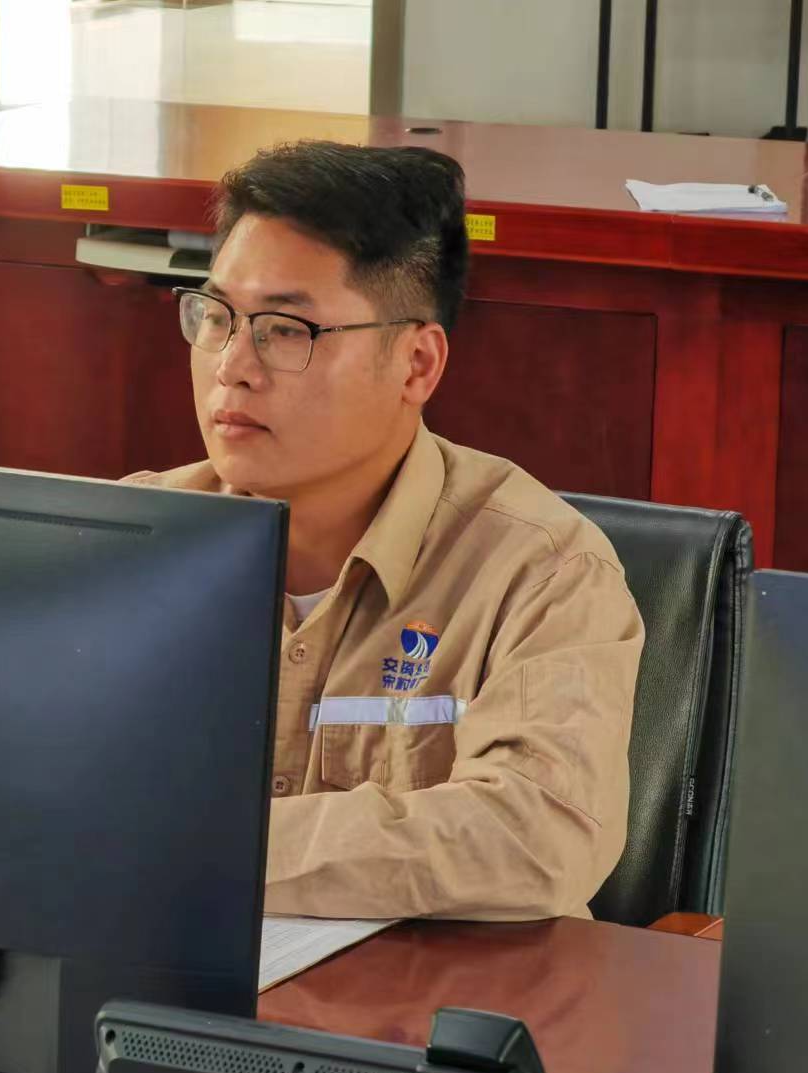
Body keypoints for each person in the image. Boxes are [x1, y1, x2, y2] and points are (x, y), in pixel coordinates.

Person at [127, 141, 643, 921]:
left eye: (286, 330)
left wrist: (208, 850)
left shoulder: (544, 572)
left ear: (416, 365)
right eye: (218, 317)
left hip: (434, 998)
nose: (232, 365)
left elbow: (535, 836)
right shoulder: (135, 539)